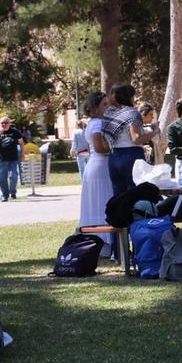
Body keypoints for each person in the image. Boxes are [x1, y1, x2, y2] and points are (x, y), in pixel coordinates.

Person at [101, 85, 157, 196]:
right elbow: (136, 138)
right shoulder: (132, 113)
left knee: (119, 197)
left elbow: (104, 140)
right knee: (136, 195)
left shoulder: (108, 113)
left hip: (114, 157)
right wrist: (155, 132)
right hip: (131, 156)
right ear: (128, 97)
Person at [78, 92, 114, 256]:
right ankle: (103, 240)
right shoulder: (98, 123)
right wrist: (115, 148)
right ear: (96, 107)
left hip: (95, 164)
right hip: (100, 165)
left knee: (97, 201)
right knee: (103, 201)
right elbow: (99, 148)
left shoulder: (92, 123)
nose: (107, 107)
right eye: (104, 104)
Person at [0, 115, 25, 202]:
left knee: (14, 176)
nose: (4, 124)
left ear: (9, 124)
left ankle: (13, 192)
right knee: (2, 178)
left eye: (6, 123)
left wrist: (22, 155)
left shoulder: (14, 132)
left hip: (13, 159)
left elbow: (21, 143)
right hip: (1, 160)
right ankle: (4, 195)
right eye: (2, 123)